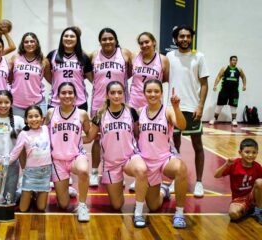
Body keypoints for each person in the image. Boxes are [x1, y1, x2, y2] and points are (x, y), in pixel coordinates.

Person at [83, 81, 148, 227]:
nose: (116, 96)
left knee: (142, 170)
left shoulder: (131, 112)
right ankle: (118, 187)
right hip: (110, 164)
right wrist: (69, 136)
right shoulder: (100, 114)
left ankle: (138, 212)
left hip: (130, 158)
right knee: (117, 205)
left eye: (120, 92)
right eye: (113, 93)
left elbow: (138, 134)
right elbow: (89, 138)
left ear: (124, 94)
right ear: (107, 95)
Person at [138, 80, 188, 228]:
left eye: (156, 91)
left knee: (181, 169)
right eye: (149, 91)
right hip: (147, 161)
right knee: (154, 206)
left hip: (165, 158)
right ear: (144, 93)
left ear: (161, 93)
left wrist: (177, 107)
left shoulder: (168, 111)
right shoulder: (140, 111)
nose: (152, 94)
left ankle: (179, 213)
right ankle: (163, 191)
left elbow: (182, 125)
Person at [167, 25, 209, 197]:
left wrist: (200, 106)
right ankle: (175, 178)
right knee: (174, 146)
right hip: (174, 107)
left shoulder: (199, 57)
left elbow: (204, 84)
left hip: (192, 108)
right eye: (181, 36)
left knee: (197, 145)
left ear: (191, 37)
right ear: (176, 39)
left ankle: (199, 182)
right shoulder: (169, 56)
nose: (184, 39)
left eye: (187, 36)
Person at [88, 27, 133, 187]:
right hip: (99, 102)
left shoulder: (125, 54)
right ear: (100, 41)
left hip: (120, 102)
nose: (107, 41)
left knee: (121, 136)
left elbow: (131, 73)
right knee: (97, 138)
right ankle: (94, 172)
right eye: (104, 39)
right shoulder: (94, 55)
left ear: (115, 40)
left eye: (110, 38)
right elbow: (89, 75)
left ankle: (119, 172)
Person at [128, 32, 170, 191]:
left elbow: (165, 78)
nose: (144, 45)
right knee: (137, 136)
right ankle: (139, 175)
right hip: (135, 102)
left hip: (153, 103)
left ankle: (158, 174)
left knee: (155, 139)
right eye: (141, 43)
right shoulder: (134, 57)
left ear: (153, 42)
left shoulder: (162, 59)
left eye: (147, 42)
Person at [45, 82, 91, 222]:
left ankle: (82, 206)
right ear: (58, 96)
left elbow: (88, 134)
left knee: (83, 171)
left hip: (76, 156)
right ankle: (67, 190)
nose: (67, 95)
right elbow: (44, 132)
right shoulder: (51, 113)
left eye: (70, 93)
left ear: (75, 96)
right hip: (58, 160)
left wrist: (77, 141)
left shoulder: (82, 114)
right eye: (63, 93)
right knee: (63, 205)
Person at [9, 106, 52, 212]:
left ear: (42, 118)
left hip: (45, 173)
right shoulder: (24, 134)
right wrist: (1, 163)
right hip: (30, 173)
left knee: (41, 207)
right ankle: (26, 192)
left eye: (36, 116)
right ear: (26, 120)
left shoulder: (46, 129)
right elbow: (15, 153)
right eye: (30, 117)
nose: (34, 119)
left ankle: (35, 194)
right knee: (23, 209)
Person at [0, 90, 25, 203]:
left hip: (11, 164)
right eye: (0, 102)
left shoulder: (19, 120)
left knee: (9, 200)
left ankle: (19, 191)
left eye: (6, 102)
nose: (3, 105)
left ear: (11, 103)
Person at [214, 138, 262, 224]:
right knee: (233, 214)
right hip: (238, 199)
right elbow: (216, 175)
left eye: (254, 152)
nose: (251, 155)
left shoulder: (257, 166)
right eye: (247, 152)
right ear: (240, 152)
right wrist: (226, 164)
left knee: (260, 182)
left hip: (252, 195)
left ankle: (258, 211)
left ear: (257, 153)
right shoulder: (234, 164)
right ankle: (248, 208)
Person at [44, 27, 93, 111]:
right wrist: (56, 82)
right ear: (61, 38)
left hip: (79, 101)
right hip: (56, 101)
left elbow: (92, 79)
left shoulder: (83, 57)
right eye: (66, 36)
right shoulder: (52, 55)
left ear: (77, 39)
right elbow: (47, 74)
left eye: (72, 36)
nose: (69, 38)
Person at [9, 32, 49, 117]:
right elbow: (9, 79)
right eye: (26, 42)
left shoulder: (43, 60)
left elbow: (52, 80)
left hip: (37, 103)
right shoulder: (15, 58)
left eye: (32, 41)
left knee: (39, 129)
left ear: (36, 43)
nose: (29, 44)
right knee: (17, 130)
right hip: (16, 103)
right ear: (22, 44)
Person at [209, 56, 247, 126]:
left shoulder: (239, 69)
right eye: (233, 60)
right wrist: (215, 85)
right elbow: (218, 77)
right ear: (230, 61)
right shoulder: (224, 68)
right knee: (219, 105)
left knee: (234, 106)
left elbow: (243, 77)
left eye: (236, 60)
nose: (234, 61)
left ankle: (234, 120)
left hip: (234, 91)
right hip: (224, 90)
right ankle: (214, 118)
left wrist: (244, 85)